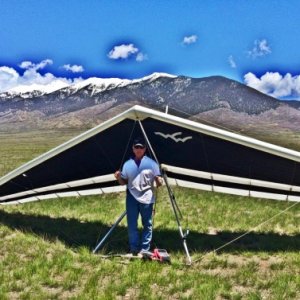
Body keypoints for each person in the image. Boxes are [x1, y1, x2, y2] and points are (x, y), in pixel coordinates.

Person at [114, 137, 162, 255]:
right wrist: (119, 177)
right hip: (131, 197)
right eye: (137, 147)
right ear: (133, 149)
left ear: (145, 149)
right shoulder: (127, 164)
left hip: (147, 197)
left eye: (141, 147)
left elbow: (159, 183)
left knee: (147, 224)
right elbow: (123, 182)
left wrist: (159, 180)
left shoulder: (152, 164)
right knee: (132, 224)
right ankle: (134, 248)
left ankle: (145, 249)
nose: (139, 149)